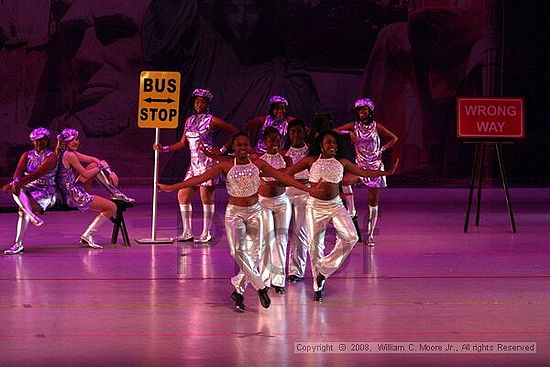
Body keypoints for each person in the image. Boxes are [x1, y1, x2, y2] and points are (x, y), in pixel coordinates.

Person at [159, 132, 312, 312]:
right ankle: (261, 286)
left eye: (246, 145)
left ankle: (238, 292)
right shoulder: (225, 165)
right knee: (237, 251)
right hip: (235, 214)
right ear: (234, 147)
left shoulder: (258, 164)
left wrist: (308, 189)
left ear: (250, 147)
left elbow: (283, 178)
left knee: (254, 254)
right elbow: (199, 178)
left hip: (255, 212)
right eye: (239, 145)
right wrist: (172, 187)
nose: (242, 148)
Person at [284, 130, 398, 302]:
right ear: (321, 145)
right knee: (315, 246)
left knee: (351, 237)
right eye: (329, 142)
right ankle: (318, 286)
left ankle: (324, 269)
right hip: (314, 206)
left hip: (335, 205)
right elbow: (287, 172)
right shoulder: (311, 161)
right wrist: (304, 184)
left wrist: (386, 173)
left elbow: (364, 172)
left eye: (335, 143)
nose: (333, 146)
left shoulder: (342, 162)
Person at [154, 88, 238, 243]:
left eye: (203, 101)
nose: (199, 104)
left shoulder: (212, 120)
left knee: (206, 197)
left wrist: (222, 149)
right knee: (182, 195)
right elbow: (182, 143)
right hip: (194, 165)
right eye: (197, 101)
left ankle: (206, 233)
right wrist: (163, 148)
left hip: (208, 164)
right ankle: (187, 232)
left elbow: (235, 132)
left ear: (208, 104)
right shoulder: (189, 120)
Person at [334, 98, 398, 246]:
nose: (362, 112)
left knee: (373, 202)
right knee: (345, 182)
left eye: (365, 110)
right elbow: (334, 130)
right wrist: (347, 133)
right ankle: (352, 211)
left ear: (370, 112)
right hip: (360, 166)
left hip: (374, 167)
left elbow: (394, 138)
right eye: (359, 110)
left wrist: (382, 149)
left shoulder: (376, 126)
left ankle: (369, 234)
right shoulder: (354, 126)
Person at [56, 128, 132, 249]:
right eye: (72, 140)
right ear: (65, 142)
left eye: (76, 139)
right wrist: (102, 167)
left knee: (93, 165)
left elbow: (94, 160)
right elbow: (86, 175)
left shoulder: (69, 153)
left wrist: (109, 170)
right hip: (71, 195)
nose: (76, 142)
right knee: (112, 207)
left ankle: (116, 193)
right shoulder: (69, 155)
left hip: (70, 189)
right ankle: (88, 234)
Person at [2, 128, 61, 255]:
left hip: (46, 191)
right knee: (16, 190)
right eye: (35, 140)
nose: (38, 143)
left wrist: (14, 184)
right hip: (27, 187)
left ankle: (18, 244)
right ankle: (32, 216)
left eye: (41, 140)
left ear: (47, 140)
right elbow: (18, 172)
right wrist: (15, 182)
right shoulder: (27, 155)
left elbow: (36, 175)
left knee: (20, 208)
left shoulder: (51, 157)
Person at [256, 127, 293, 294]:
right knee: (266, 240)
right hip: (264, 203)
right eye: (271, 140)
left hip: (282, 203)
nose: (275, 143)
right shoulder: (258, 160)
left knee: (281, 239)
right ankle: (264, 280)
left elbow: (287, 182)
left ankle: (279, 281)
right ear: (265, 142)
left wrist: (271, 183)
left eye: (278, 140)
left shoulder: (287, 159)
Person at [281, 119, 310, 283]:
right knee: (282, 232)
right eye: (292, 132)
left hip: (304, 195)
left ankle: (296, 271)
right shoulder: (284, 154)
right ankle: (277, 269)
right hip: (285, 195)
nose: (296, 134)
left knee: (300, 232)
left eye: (298, 131)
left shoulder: (310, 153)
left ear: (304, 132)